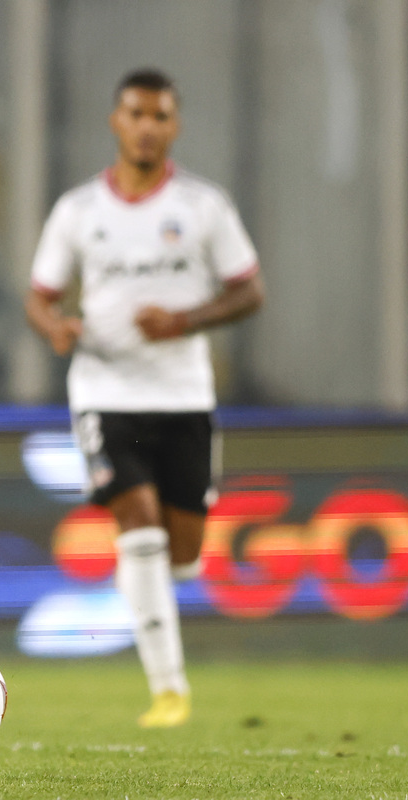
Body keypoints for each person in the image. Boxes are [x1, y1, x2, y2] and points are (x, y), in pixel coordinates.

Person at [25, 68, 264, 728]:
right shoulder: (79, 212)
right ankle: (169, 690)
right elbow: (40, 297)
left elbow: (250, 290)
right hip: (104, 391)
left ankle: (153, 588)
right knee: (137, 519)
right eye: (136, 113)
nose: (148, 126)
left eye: (160, 116)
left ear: (174, 126)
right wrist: (56, 328)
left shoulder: (203, 207)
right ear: (116, 121)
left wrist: (184, 322)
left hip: (183, 394)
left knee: (182, 556)